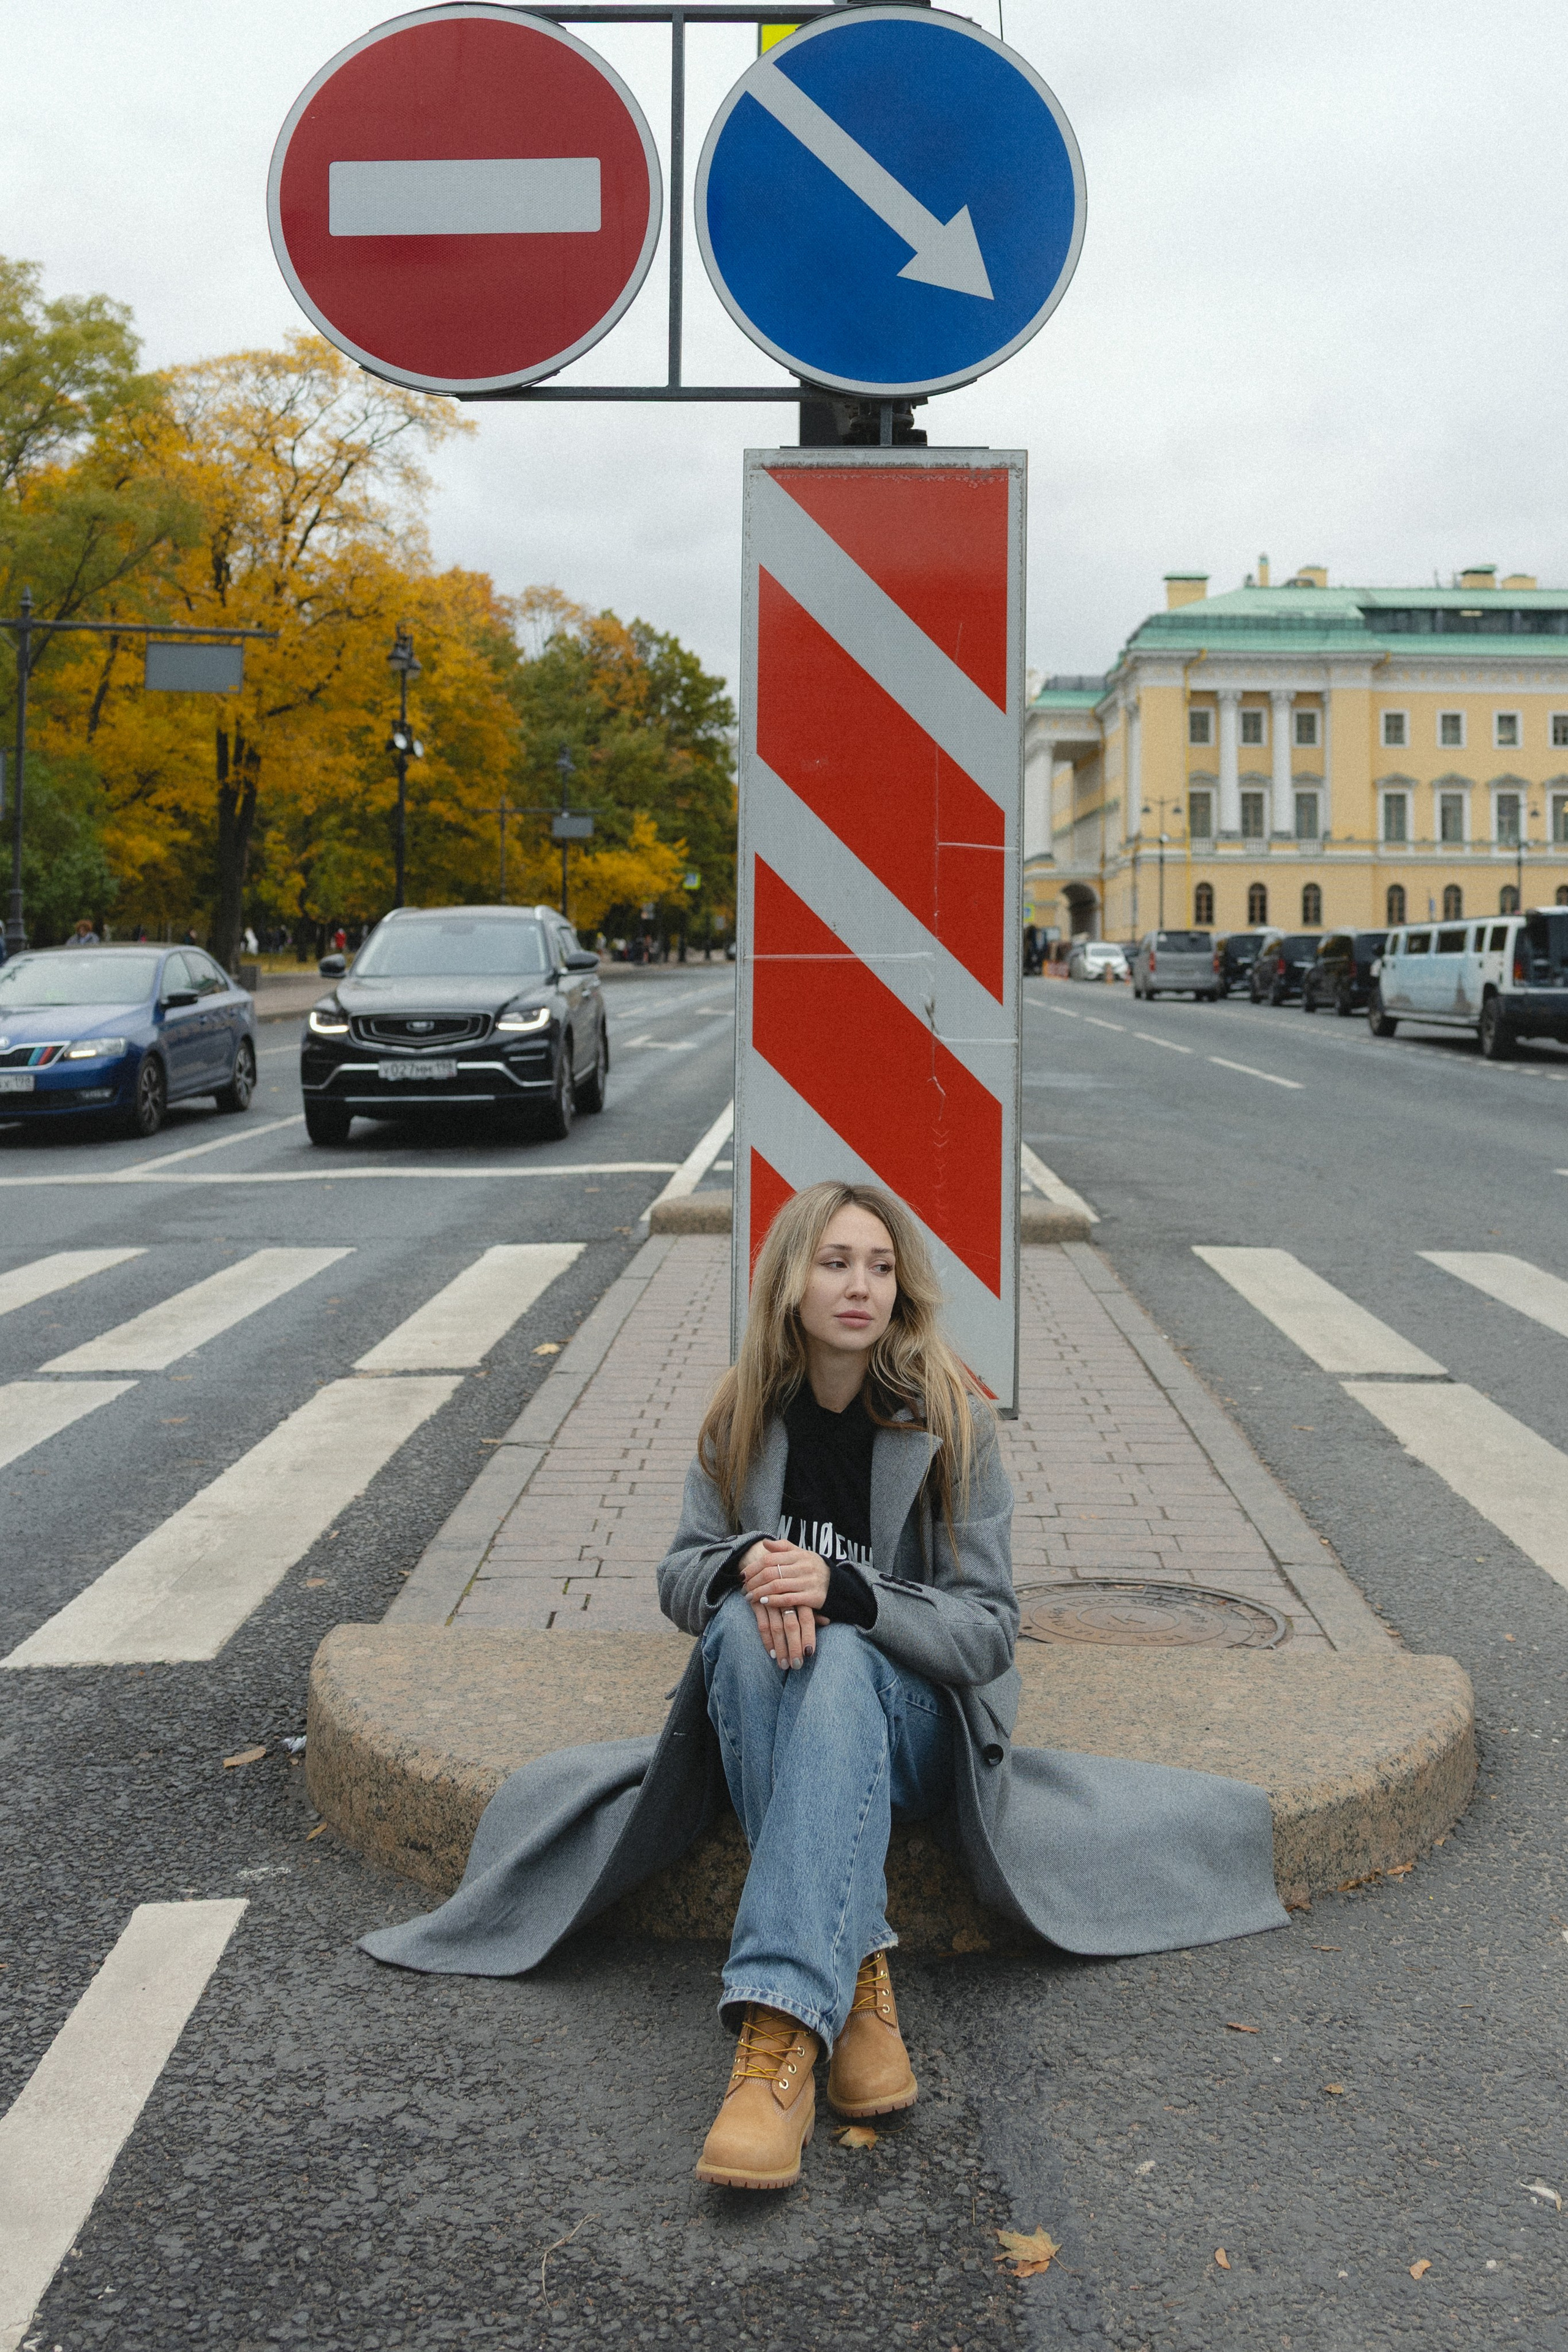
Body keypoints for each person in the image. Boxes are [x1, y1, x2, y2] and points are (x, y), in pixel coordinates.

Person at [360, 1180, 1287, 2194]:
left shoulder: (955, 1424)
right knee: (748, 1627)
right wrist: (750, 1562)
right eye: (836, 1263)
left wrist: (850, 1591)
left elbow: (987, 1632)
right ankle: (858, 1979)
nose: (860, 1286)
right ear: (791, 1281)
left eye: (881, 1266)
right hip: (770, 1701)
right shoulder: (742, 1416)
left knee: (838, 1644)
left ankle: (774, 2028)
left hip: (915, 1729)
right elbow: (681, 1573)